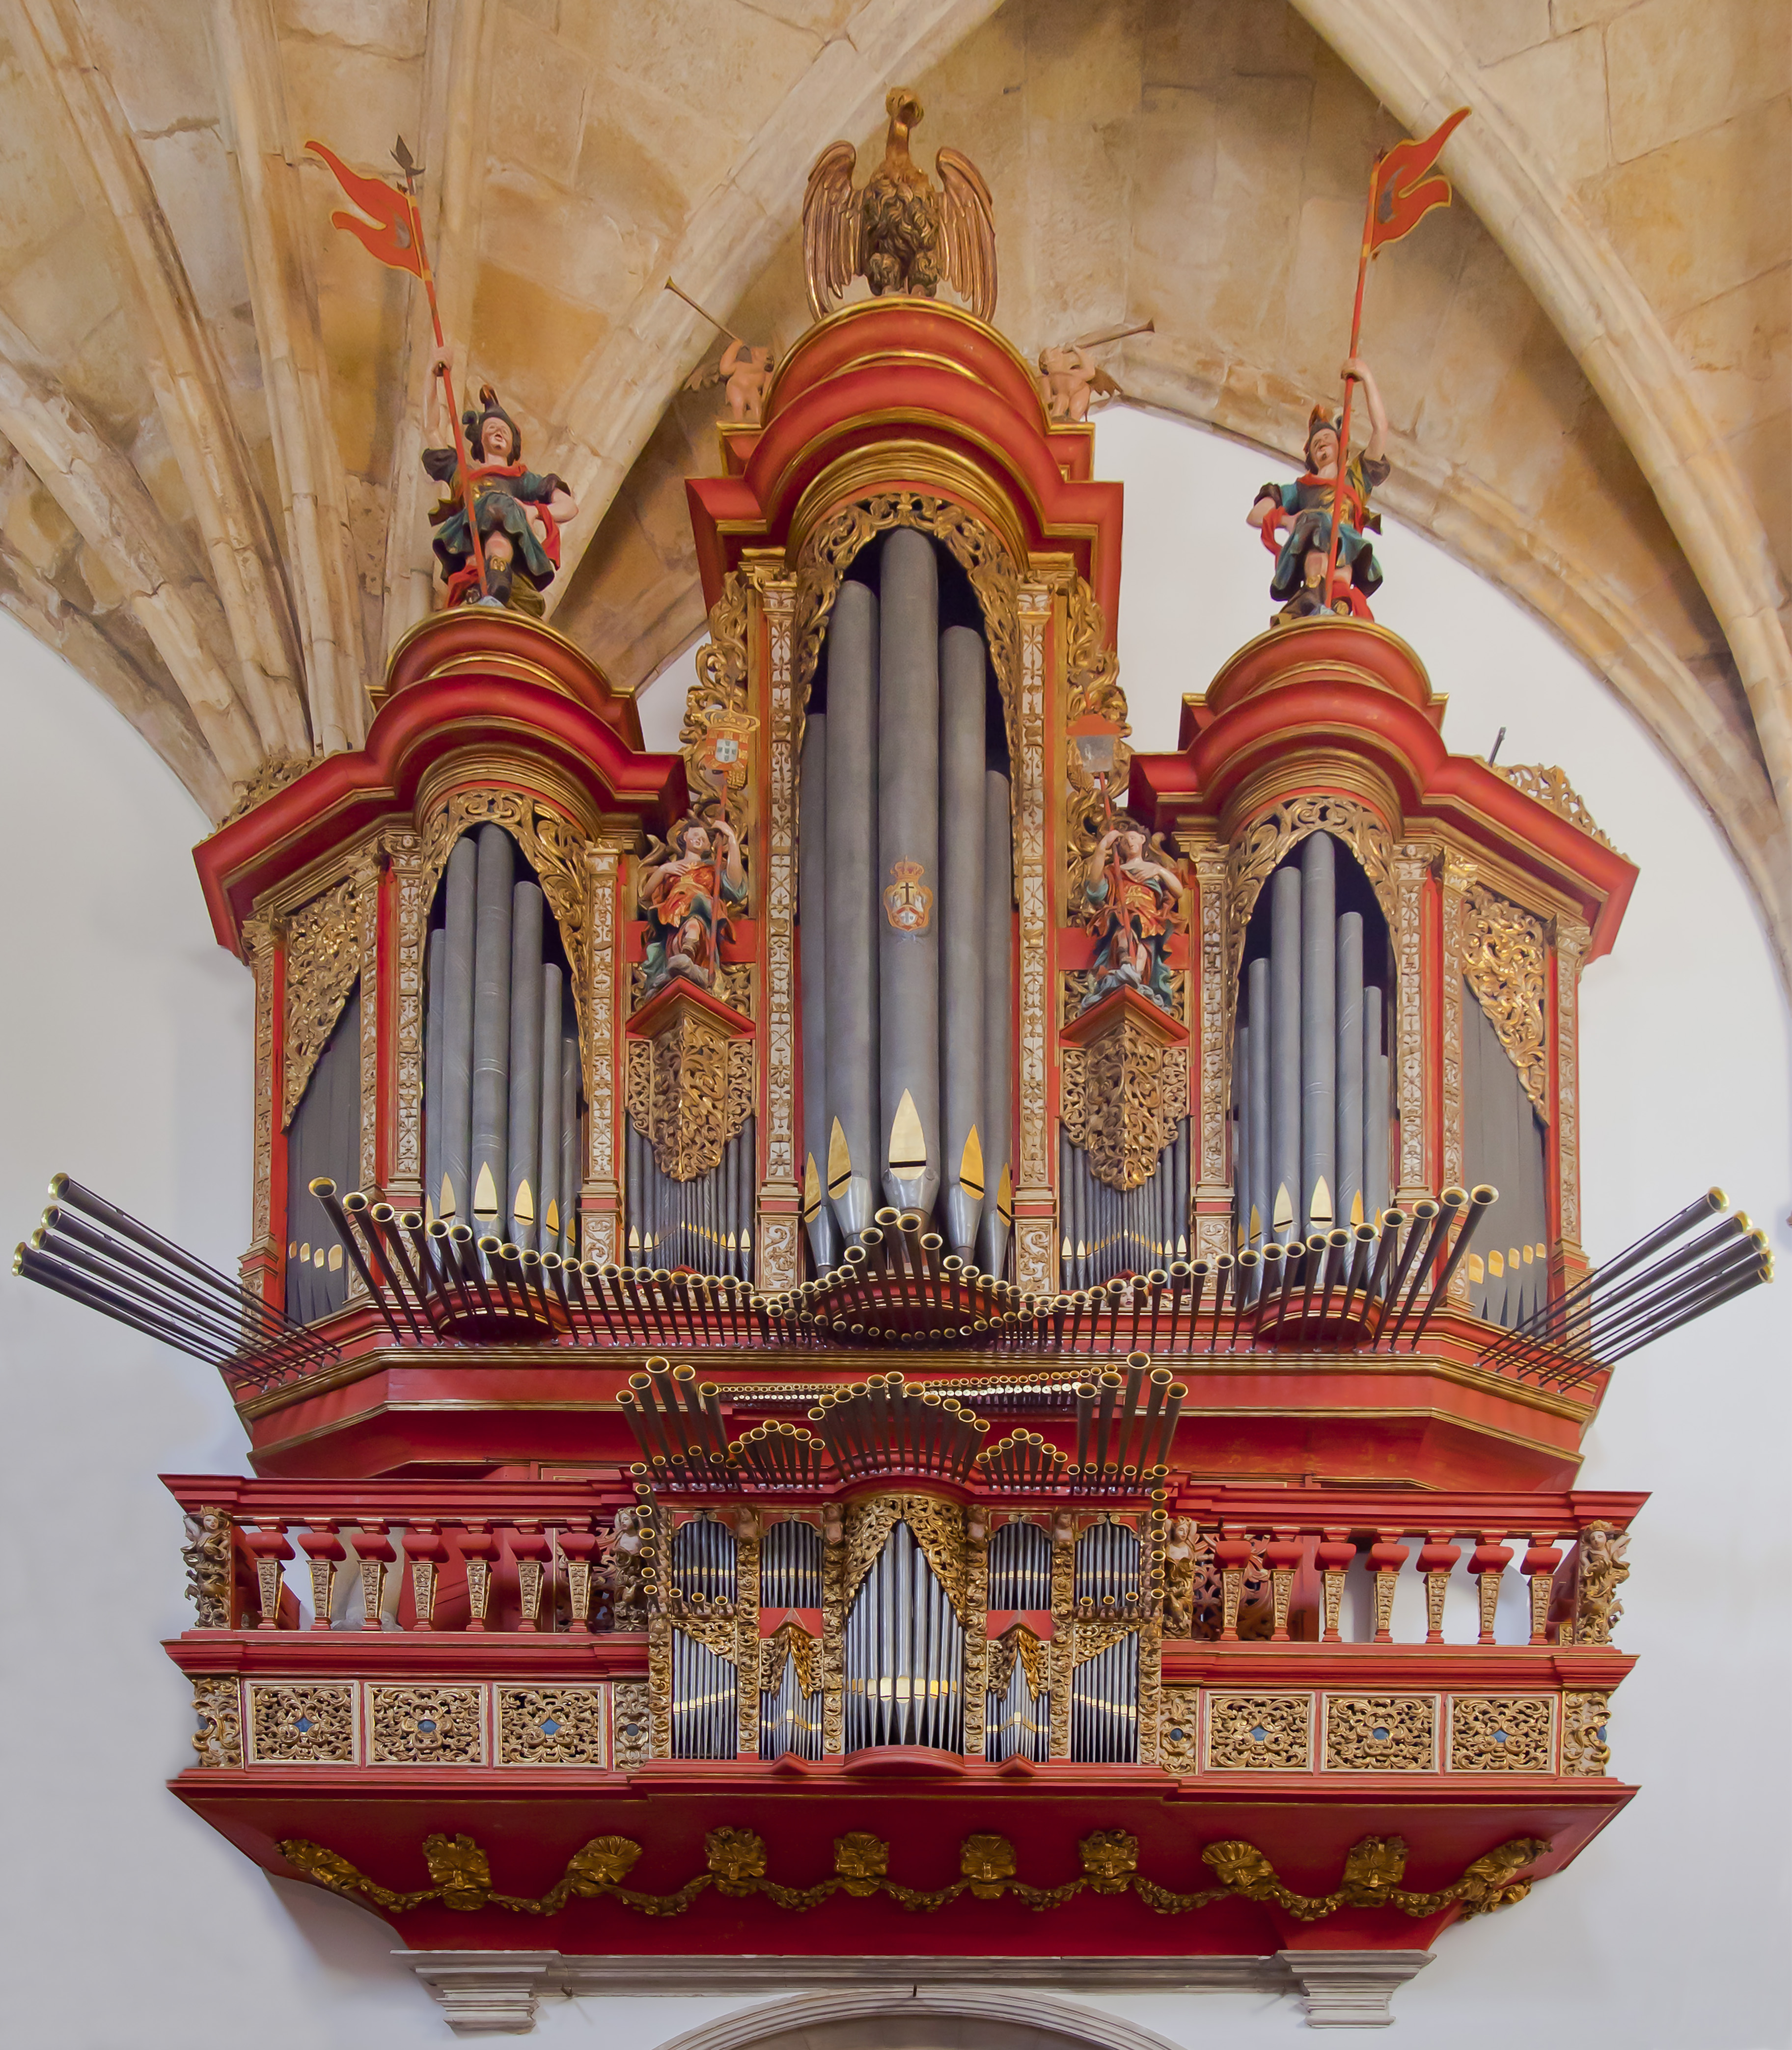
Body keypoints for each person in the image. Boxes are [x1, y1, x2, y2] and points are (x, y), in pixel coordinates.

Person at [423, 357, 578, 611]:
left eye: (504, 430)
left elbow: (569, 506)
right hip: (471, 542)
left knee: (499, 515)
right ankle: (485, 589)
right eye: (492, 427)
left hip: (504, 533)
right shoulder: (463, 473)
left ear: (512, 442)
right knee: (486, 537)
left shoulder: (521, 478)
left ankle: (497, 586)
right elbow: (431, 428)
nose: (498, 432)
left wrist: (535, 511)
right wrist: (432, 377)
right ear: (480, 438)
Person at [1247, 356, 1390, 621]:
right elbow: (1255, 515)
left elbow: (1381, 429)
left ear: (1340, 446)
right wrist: (1288, 520)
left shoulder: (1356, 478)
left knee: (1339, 581)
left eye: (1327, 440)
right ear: (1311, 457)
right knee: (1319, 537)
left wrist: (1367, 378)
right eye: (1316, 445)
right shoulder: (1301, 489)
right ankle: (1312, 602)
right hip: (1314, 551)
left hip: (1345, 552)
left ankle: (1337, 609)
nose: (1322, 445)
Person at [637, 814, 747, 999]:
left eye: (704, 839)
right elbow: (646, 895)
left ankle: (689, 954)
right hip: (674, 919)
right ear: (684, 837)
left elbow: (736, 889)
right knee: (680, 937)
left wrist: (732, 841)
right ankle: (681, 960)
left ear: (707, 846)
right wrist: (664, 870)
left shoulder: (712, 867)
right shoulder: (671, 868)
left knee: (695, 924)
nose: (699, 840)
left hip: (701, 913)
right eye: (695, 835)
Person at [1081, 826, 1184, 1014]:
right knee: (1124, 930)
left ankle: (1136, 972)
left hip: (1149, 915)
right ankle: (1126, 965)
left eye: (1134, 838)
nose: (1130, 842)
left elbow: (1178, 891)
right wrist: (1102, 848)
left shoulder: (1154, 869)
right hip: (1122, 913)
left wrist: (1159, 871)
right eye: (1125, 840)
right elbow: (1095, 891)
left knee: (1145, 941)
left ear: (1143, 841)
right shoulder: (1115, 870)